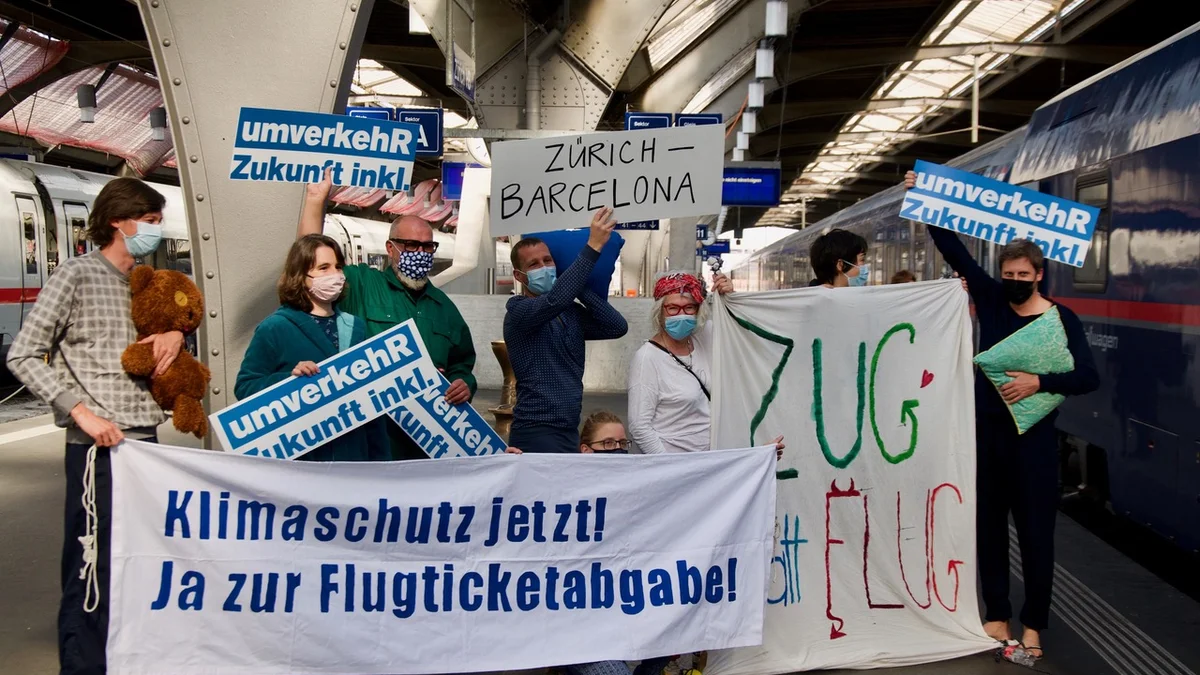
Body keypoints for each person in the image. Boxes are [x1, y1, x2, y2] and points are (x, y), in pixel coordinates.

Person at [904, 170, 1100, 660]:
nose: (1014, 283)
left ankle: (1033, 624)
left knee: (1037, 538)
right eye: (1008, 276)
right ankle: (996, 615)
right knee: (988, 530)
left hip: (1035, 444)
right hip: (987, 439)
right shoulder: (991, 300)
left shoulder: (1061, 320)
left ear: (1039, 276)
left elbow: (1088, 378)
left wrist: (1040, 382)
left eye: (1022, 277)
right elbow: (955, 251)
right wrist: (923, 197)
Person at [6, 177, 184, 675]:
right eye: (149, 221)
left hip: (147, 443)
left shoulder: (149, 283)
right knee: (93, 566)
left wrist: (173, 331)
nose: (156, 230)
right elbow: (24, 354)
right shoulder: (75, 276)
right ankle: (83, 667)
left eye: (157, 220)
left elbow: (170, 341)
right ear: (116, 222)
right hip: (96, 450)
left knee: (142, 563)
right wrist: (78, 410)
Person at [299, 170, 476, 460]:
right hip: (370, 437)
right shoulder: (362, 285)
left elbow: (462, 363)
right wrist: (315, 201)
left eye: (427, 246)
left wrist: (464, 384)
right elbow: (310, 266)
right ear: (390, 249)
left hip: (427, 443)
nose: (420, 253)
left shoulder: (445, 308)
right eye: (410, 245)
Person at [235, 234, 390, 461]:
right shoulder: (274, 328)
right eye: (323, 268)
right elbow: (246, 387)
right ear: (301, 276)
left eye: (338, 267)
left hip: (354, 458)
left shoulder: (356, 327)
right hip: (304, 462)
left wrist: (381, 462)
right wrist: (290, 380)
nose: (335, 275)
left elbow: (371, 402)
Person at [503, 207, 629, 453]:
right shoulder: (518, 312)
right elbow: (553, 302)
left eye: (548, 261)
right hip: (535, 430)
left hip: (569, 428)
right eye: (534, 264)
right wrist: (592, 246)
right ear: (519, 276)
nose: (544, 267)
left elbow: (616, 326)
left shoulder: (570, 312)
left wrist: (579, 286)